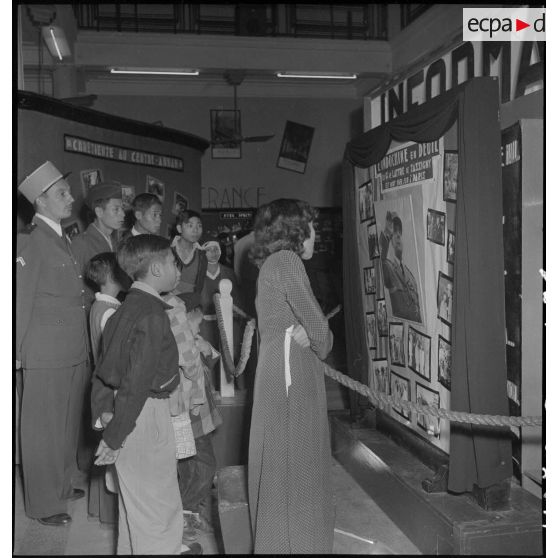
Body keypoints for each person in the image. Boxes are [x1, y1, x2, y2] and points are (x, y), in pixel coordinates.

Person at [90, 235, 200, 554]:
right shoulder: (152, 315)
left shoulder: (124, 309)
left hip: (128, 414)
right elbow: (136, 383)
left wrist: (110, 426)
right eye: (170, 261)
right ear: (155, 268)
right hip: (145, 415)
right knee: (159, 513)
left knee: (134, 512)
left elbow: (104, 371)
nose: (175, 267)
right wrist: (116, 436)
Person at [248, 198, 334, 553]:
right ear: (296, 230)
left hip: (276, 370)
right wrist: (317, 333)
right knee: (299, 466)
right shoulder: (287, 261)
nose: (316, 235)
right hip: (292, 375)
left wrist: (305, 328)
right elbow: (321, 332)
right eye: (312, 227)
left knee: (280, 468)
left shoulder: (271, 263)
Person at [16, 161, 89, 526]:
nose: (70, 197)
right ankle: (43, 504)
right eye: (61, 193)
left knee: (64, 423)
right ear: (41, 202)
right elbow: (20, 301)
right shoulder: (30, 241)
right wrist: (17, 352)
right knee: (42, 428)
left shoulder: (62, 237)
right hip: (44, 350)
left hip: (72, 349)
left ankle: (60, 485)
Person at [165, 291, 222, 543]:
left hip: (201, 418)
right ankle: (185, 512)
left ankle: (191, 512)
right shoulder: (176, 349)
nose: (199, 328)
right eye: (196, 323)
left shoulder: (194, 342)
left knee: (194, 469)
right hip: (189, 419)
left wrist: (206, 348)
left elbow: (215, 360)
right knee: (202, 467)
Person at [83, 252, 129, 525]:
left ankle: (102, 509)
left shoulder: (98, 306)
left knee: (105, 452)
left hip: (100, 384)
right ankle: (112, 513)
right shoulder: (111, 311)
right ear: (114, 275)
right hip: (110, 389)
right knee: (113, 453)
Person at [71, 181, 125, 306]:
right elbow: (75, 289)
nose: (123, 214)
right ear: (99, 212)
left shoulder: (116, 243)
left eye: (122, 209)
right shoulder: (81, 243)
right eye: (116, 209)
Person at [379, 211, 421, 322]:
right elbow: (380, 261)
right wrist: (387, 231)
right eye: (394, 232)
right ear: (390, 242)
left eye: (400, 233)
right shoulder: (388, 267)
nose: (398, 235)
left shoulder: (411, 276)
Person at [172, 209, 208, 297]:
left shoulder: (202, 255)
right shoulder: (166, 250)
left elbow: (199, 286)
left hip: (190, 304)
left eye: (199, 226)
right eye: (190, 225)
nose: (195, 230)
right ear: (179, 228)